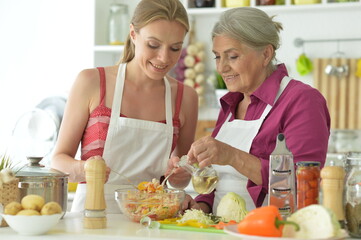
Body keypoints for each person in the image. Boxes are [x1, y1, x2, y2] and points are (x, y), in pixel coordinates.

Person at [177, 7, 330, 214]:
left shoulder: (302, 101)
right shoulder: (231, 104)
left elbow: (301, 181)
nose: (222, 68)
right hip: (219, 231)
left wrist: (231, 155)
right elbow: (217, 181)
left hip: (273, 231)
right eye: (217, 57)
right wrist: (200, 206)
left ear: (266, 54)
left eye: (232, 56)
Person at [51, 0, 198, 213]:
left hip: (152, 221)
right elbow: (58, 161)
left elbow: (179, 177)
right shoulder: (91, 82)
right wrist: (86, 170)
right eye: (153, 45)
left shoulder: (186, 97)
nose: (164, 58)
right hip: (92, 218)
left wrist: (180, 174)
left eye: (175, 48)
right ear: (133, 34)